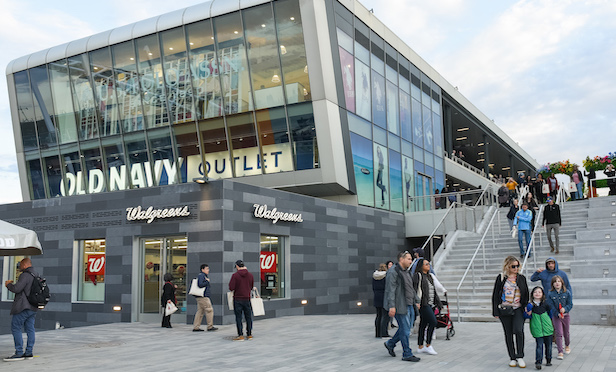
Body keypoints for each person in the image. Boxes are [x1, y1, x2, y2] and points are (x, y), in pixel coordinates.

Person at [492, 256, 529, 368]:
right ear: (508, 266)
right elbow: (495, 295)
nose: (516, 268)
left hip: (518, 308)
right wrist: (495, 311)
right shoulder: (501, 277)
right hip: (505, 309)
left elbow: (526, 294)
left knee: (518, 330)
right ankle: (512, 357)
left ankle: (520, 356)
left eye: (517, 266)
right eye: (513, 266)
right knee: (508, 334)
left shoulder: (521, 278)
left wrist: (526, 307)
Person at [383, 251, 420, 362]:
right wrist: (392, 306)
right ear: (401, 259)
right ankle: (407, 353)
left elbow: (410, 288)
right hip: (399, 305)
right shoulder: (393, 271)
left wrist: (416, 300)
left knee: (406, 329)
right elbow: (390, 290)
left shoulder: (406, 272)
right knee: (405, 330)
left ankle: (390, 343)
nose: (410, 261)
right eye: (408, 259)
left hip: (409, 304)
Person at [3, 258, 38, 362]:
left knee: (16, 328)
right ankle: (29, 352)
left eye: (21, 264)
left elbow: (17, 289)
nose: (19, 266)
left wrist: (8, 284)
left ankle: (18, 352)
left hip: (23, 307)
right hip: (33, 307)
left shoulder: (25, 275)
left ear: (25, 265)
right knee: (30, 329)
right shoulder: (36, 274)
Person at [413, 259, 442, 355]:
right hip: (423, 304)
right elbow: (415, 289)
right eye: (426, 264)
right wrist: (417, 302)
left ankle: (420, 346)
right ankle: (428, 345)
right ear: (421, 265)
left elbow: (434, 291)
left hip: (430, 304)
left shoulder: (429, 276)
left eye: (429, 264)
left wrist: (439, 303)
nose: (428, 265)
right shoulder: (418, 275)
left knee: (423, 324)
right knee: (433, 322)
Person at [524, 286, 553, 370]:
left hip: (547, 328)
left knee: (549, 346)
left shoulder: (546, 304)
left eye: (539, 292)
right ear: (532, 294)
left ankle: (548, 359)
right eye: (535, 292)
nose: (537, 293)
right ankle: (538, 362)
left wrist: (549, 324)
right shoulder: (530, 305)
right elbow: (526, 315)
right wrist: (527, 314)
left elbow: (550, 314)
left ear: (542, 294)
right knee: (539, 346)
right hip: (537, 329)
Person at [546, 275, 573, 360]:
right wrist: (556, 313)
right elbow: (551, 305)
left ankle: (567, 345)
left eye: (558, 281)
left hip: (565, 316)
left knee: (566, 333)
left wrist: (565, 309)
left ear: (562, 283)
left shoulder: (567, 292)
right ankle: (560, 351)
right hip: (556, 316)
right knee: (559, 333)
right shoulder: (550, 294)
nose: (557, 283)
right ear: (552, 284)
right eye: (555, 282)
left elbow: (570, 304)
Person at [229, 260, 255, 341]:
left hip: (238, 299)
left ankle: (240, 335)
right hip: (247, 298)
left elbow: (231, 287)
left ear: (237, 266)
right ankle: (249, 334)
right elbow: (251, 287)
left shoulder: (235, 275)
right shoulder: (250, 275)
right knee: (248, 317)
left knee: (239, 317)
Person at [192, 264, 218, 332]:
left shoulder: (202, 275)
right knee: (209, 310)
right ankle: (210, 326)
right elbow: (200, 284)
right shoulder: (202, 275)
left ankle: (196, 327)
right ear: (202, 269)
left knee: (200, 311)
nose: (208, 270)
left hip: (200, 296)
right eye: (207, 269)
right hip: (203, 296)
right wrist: (207, 281)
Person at [372, 263, 389, 338]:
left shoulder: (374, 276)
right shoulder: (386, 276)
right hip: (384, 297)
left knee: (378, 315)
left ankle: (377, 333)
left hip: (376, 296)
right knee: (385, 315)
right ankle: (384, 333)